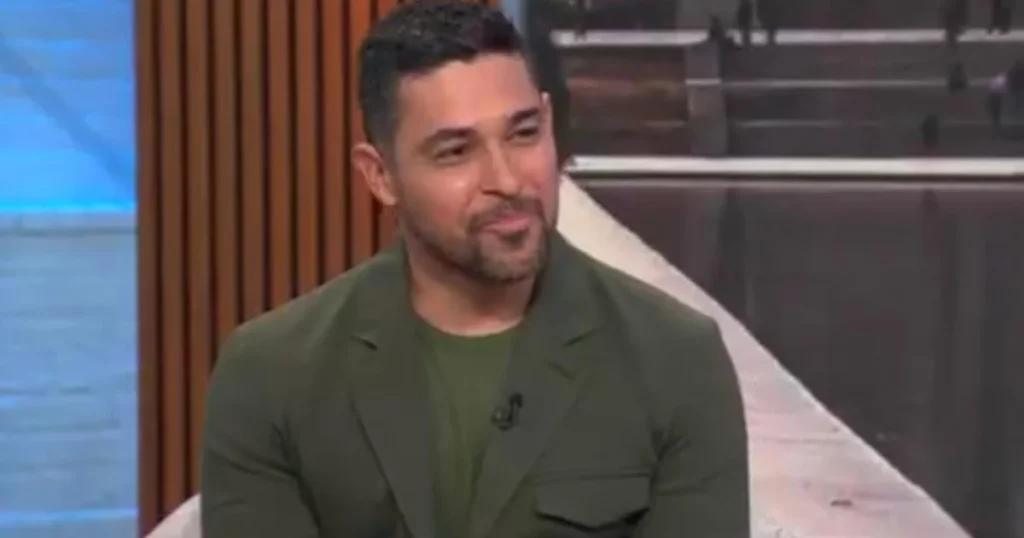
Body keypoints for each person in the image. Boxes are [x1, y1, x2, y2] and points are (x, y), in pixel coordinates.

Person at [200, 2, 749, 538]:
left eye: (523, 133)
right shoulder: (271, 376)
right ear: (380, 176)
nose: (507, 180)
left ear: (550, 123)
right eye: (456, 151)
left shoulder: (676, 361)